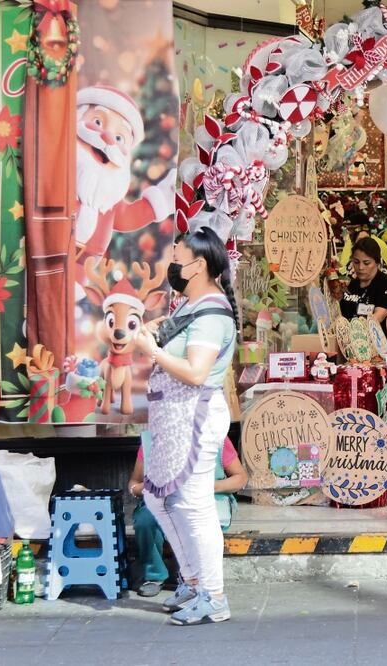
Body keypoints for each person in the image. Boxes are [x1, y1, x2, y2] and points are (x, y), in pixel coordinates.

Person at [132, 226, 239, 625]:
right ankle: (192, 581)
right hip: (171, 419)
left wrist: (153, 351)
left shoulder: (211, 314)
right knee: (158, 499)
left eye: (177, 258)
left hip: (195, 417)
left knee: (195, 506)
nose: (172, 264)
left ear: (199, 265)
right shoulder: (187, 307)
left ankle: (214, 596)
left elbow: (196, 372)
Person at [128, 436, 247, 597]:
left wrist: (210, 486)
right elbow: (134, 483)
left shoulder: (216, 438)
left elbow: (240, 478)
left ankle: (192, 580)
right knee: (145, 520)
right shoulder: (151, 440)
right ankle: (154, 575)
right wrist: (146, 488)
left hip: (204, 500)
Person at [339, 236, 387, 326]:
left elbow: (378, 317)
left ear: (377, 263)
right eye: (356, 262)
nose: (361, 267)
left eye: (366, 263)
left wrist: (355, 331)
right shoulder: (351, 285)